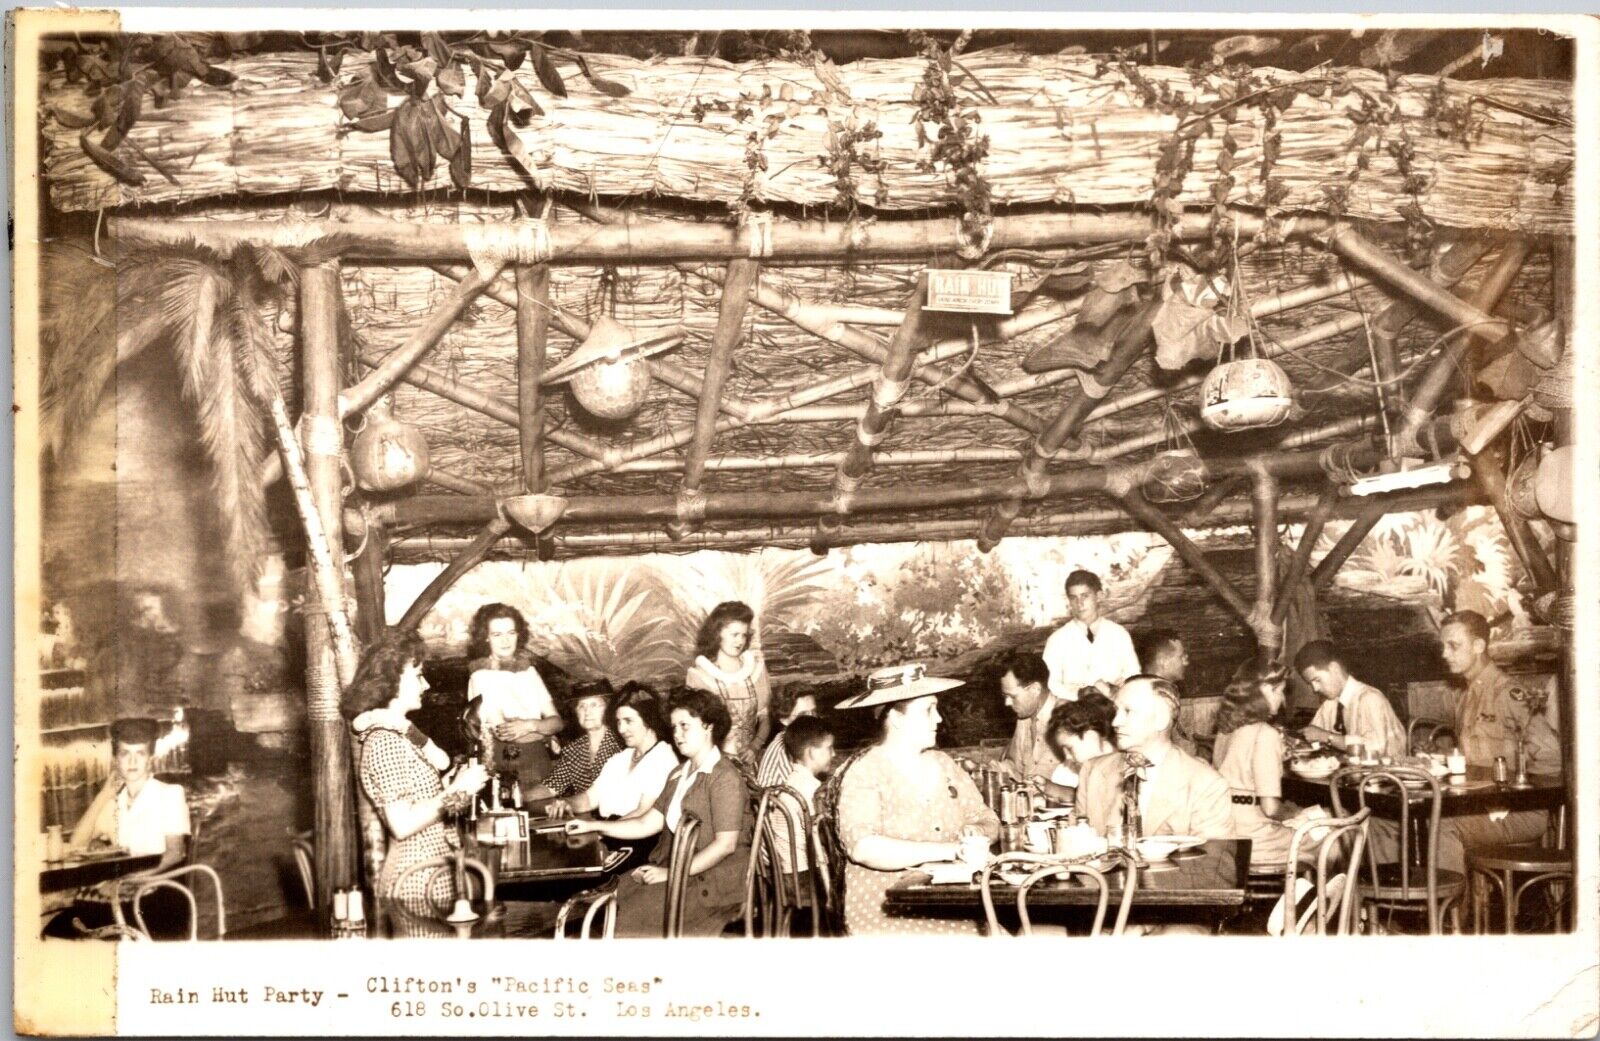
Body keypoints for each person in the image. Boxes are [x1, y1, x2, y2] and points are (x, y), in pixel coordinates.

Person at [566, 687, 752, 937]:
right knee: (605, 898)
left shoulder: (724, 777)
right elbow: (647, 824)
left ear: (709, 726)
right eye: (674, 727)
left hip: (713, 885)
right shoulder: (679, 774)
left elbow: (725, 845)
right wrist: (594, 826)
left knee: (630, 913)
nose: (677, 734)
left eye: (685, 726)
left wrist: (670, 873)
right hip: (680, 872)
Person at [834, 663, 1001, 936]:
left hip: (955, 905)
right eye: (928, 710)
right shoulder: (865, 772)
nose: (939, 719)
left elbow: (988, 818)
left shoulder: (944, 764)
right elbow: (863, 848)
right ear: (897, 720)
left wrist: (979, 832)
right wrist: (953, 850)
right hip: (888, 912)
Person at [342, 632, 488, 933]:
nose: (427, 685)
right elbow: (402, 823)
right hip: (416, 881)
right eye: (419, 676)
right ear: (392, 680)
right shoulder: (385, 743)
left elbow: (433, 777)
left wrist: (451, 780)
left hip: (431, 872)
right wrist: (460, 789)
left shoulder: (397, 735)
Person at [45, 717, 194, 939]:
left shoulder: (169, 794)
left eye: (140, 753)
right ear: (116, 760)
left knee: (67, 924)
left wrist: (128, 880)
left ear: (150, 759)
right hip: (123, 896)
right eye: (125, 753)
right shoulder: (115, 802)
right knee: (59, 926)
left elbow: (175, 854)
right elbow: (76, 844)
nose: (132, 761)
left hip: (160, 894)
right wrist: (103, 795)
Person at [1432, 610, 1557, 870]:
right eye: (1444, 646)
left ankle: (1446, 908)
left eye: (1453, 646)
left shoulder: (1508, 693)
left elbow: (1553, 756)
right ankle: (1443, 903)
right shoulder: (1466, 696)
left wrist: (1513, 797)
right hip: (1478, 807)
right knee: (1426, 818)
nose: (1444, 654)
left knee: (1443, 824)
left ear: (1479, 646)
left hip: (1519, 813)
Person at [1076, 676, 1233, 841]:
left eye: (1128, 711)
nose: (1115, 721)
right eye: (1116, 711)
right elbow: (1077, 849)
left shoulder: (1207, 785)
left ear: (1161, 720)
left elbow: (1210, 863)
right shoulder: (1093, 771)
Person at [465, 604, 563, 791]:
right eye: (497, 634)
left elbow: (558, 722)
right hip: (508, 763)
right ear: (485, 637)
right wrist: (545, 732)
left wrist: (529, 725)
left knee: (548, 815)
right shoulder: (480, 676)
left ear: (519, 635)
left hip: (540, 761)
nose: (505, 641)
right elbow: (506, 732)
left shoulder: (529, 671)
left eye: (511, 633)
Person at [1212, 658, 1298, 869]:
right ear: (1265, 689)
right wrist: (1298, 815)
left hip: (1225, 830)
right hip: (1255, 838)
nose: (1283, 699)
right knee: (1333, 840)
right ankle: (1314, 900)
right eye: (1280, 691)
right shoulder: (1265, 733)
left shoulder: (1226, 729)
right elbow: (1270, 809)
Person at [547, 683, 678, 822]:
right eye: (619, 722)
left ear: (649, 719)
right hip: (611, 831)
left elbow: (643, 813)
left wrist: (600, 832)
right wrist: (567, 803)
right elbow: (590, 798)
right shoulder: (622, 758)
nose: (621, 729)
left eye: (628, 721)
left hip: (636, 838)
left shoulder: (662, 758)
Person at [686, 601, 773, 768]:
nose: (740, 641)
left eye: (744, 635)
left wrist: (755, 747)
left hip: (750, 762)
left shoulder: (756, 670)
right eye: (734, 634)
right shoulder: (699, 675)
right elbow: (694, 728)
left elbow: (765, 716)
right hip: (714, 764)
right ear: (717, 633)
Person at [1295, 641, 1406, 759]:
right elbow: (1314, 735)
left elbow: (1374, 749)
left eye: (1317, 680)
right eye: (1310, 683)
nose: (1315, 689)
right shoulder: (1330, 702)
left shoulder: (1370, 698)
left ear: (1334, 669)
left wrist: (1326, 737)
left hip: (1386, 773)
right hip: (1354, 772)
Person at [1041, 569, 1141, 700]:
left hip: (1114, 708)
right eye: (1073, 598)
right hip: (1075, 711)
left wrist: (1115, 690)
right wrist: (1082, 694)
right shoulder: (1057, 640)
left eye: (1085, 596)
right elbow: (1051, 684)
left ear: (1099, 596)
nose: (1079, 603)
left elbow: (1133, 676)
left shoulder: (1119, 634)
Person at [523, 680, 623, 804]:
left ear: (608, 709)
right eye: (582, 706)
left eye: (594, 705)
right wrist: (519, 797)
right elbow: (552, 786)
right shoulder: (574, 749)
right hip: (585, 817)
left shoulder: (622, 745)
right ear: (576, 711)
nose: (587, 712)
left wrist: (565, 804)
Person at [770, 714, 835, 892]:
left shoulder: (790, 783)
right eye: (829, 748)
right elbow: (825, 838)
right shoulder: (811, 791)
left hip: (786, 875)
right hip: (807, 879)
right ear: (812, 752)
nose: (834, 753)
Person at [995, 652, 1061, 789]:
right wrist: (990, 769)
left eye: (1012, 696)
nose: (1007, 703)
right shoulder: (1024, 718)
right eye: (1005, 696)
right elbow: (1016, 768)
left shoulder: (1067, 719)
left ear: (1035, 689)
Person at [1043, 688, 1119, 800]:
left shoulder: (1120, 772)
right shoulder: (1090, 771)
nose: (1068, 757)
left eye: (1069, 748)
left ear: (1090, 735)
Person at [756, 689, 820, 789]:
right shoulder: (785, 749)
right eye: (803, 715)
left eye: (814, 712)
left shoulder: (798, 741)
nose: (812, 720)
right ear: (784, 719)